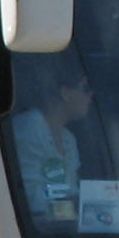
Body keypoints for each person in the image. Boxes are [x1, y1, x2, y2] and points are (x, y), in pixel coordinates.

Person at [9, 69, 95, 228]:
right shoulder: (28, 128)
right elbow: (27, 199)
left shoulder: (69, 139)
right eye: (85, 88)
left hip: (60, 232)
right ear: (65, 93)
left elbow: (71, 193)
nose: (91, 96)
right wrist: (76, 209)